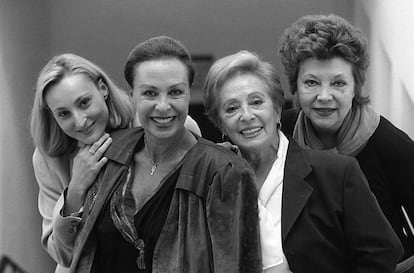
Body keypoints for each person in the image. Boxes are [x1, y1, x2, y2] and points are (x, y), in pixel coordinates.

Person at [57, 36, 261, 273]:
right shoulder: (108, 153)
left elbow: (238, 266)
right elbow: (73, 253)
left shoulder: (223, 171)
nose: (163, 106)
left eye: (175, 92)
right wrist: (74, 194)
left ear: (188, 94)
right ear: (132, 95)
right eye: (150, 93)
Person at [203, 50, 403, 272]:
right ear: (220, 123)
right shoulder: (212, 180)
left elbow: (381, 254)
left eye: (257, 102)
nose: (247, 115)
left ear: (277, 109)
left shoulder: (336, 173)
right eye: (232, 108)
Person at [30, 53, 201, 273]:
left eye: (84, 103)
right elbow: (63, 254)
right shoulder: (50, 158)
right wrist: (75, 191)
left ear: (103, 88)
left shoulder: (163, 124)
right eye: (64, 114)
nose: (80, 121)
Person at [278, 14, 414, 260]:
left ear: (356, 87)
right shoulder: (281, 134)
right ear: (295, 87)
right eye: (311, 82)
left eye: (338, 83)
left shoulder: (390, 145)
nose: (324, 96)